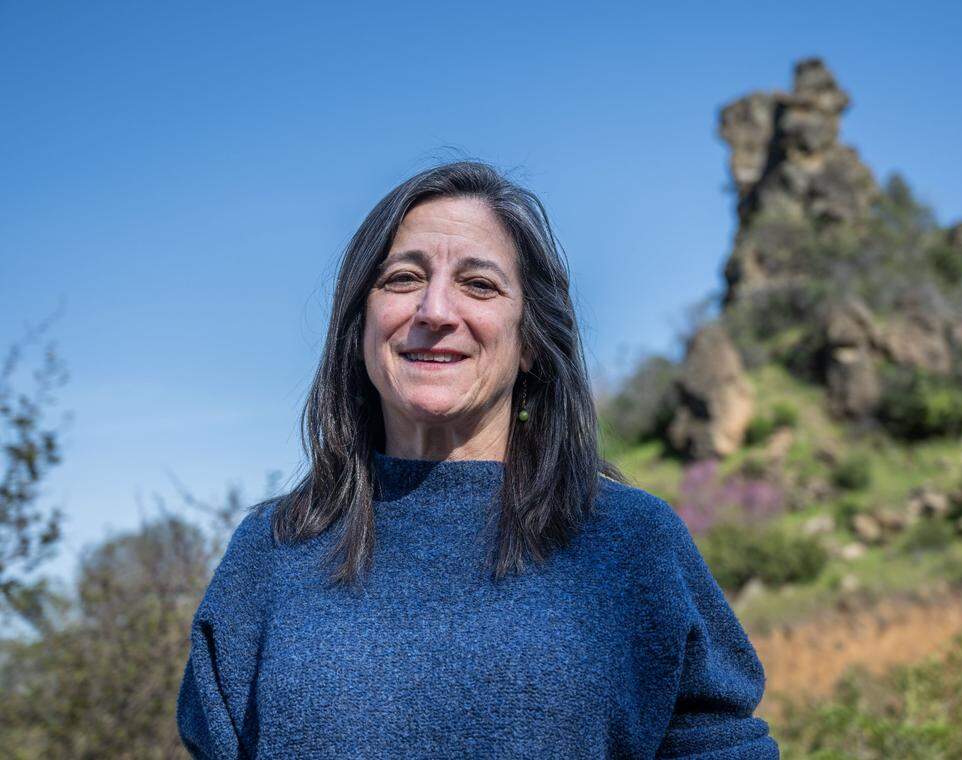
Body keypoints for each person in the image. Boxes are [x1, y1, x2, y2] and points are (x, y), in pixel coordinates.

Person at [175, 160, 779, 759]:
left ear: (532, 345)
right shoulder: (270, 553)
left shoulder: (633, 543)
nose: (435, 311)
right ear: (359, 326)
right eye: (403, 279)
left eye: (479, 285)